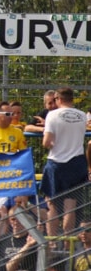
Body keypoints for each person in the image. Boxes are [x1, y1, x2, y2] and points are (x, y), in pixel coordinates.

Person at [42, 87, 89, 235]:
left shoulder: (52, 115)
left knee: (53, 205)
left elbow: (46, 142)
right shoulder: (82, 115)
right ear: (72, 99)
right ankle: (68, 243)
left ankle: (53, 244)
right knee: (71, 206)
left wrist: (55, 143)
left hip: (56, 162)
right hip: (76, 162)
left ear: (58, 99)